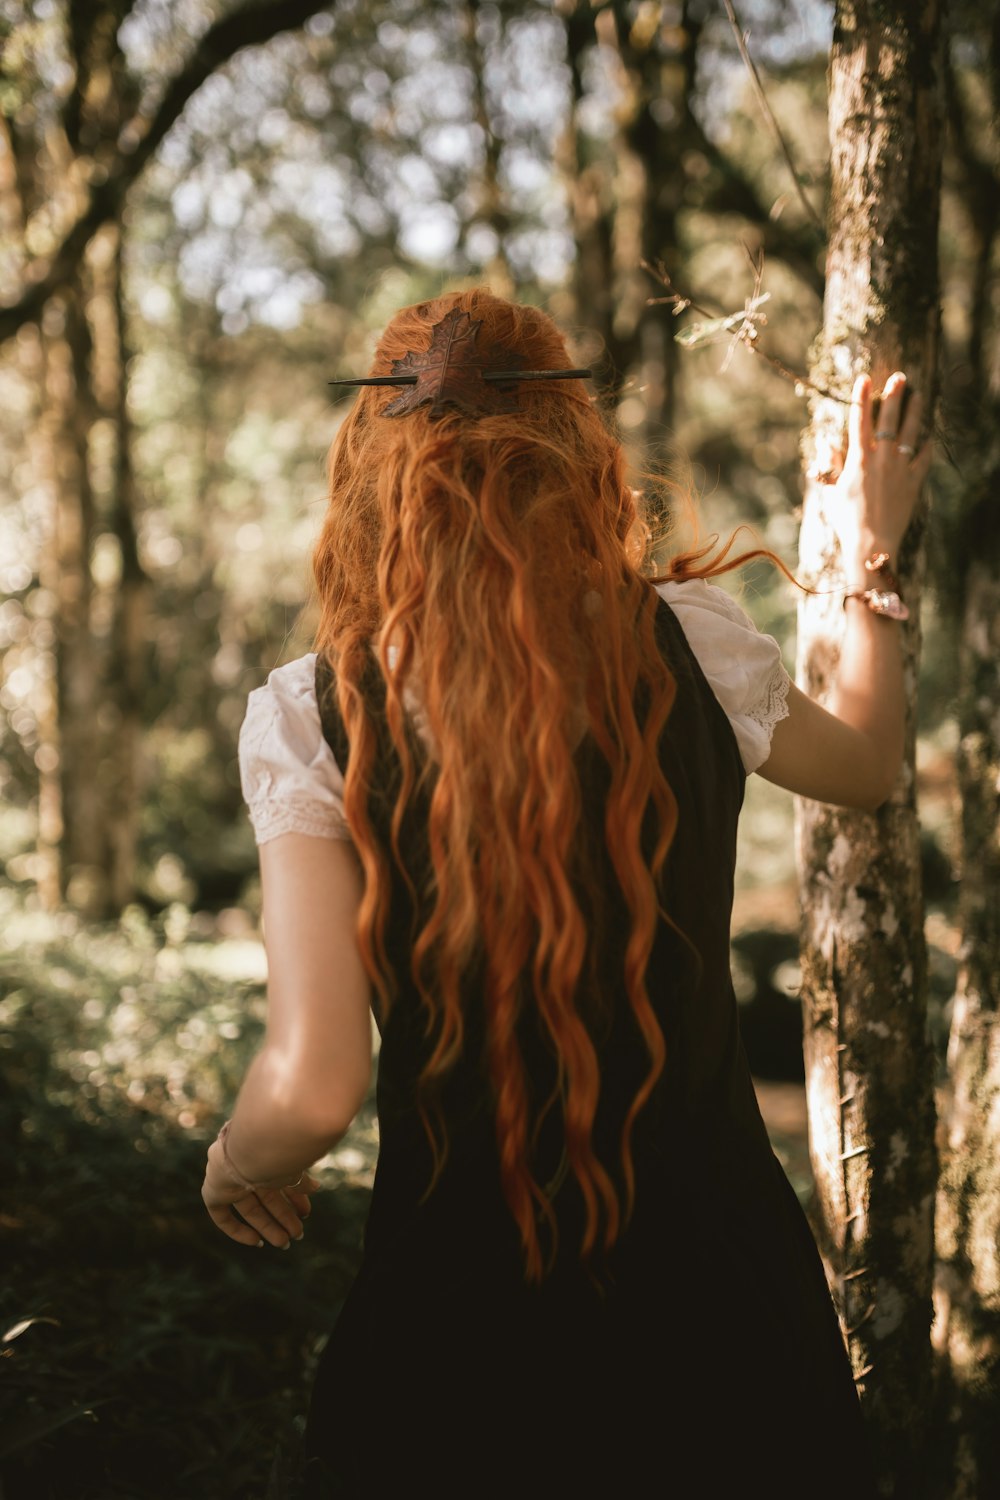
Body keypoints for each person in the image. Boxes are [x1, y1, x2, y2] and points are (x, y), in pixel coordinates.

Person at [200, 287, 931, 1498]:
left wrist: (236, 1159)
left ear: (376, 464)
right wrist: (869, 548)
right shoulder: (691, 640)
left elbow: (312, 1087)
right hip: (727, 1326)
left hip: (455, 1347)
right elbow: (865, 764)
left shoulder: (309, 714)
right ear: (576, 445)